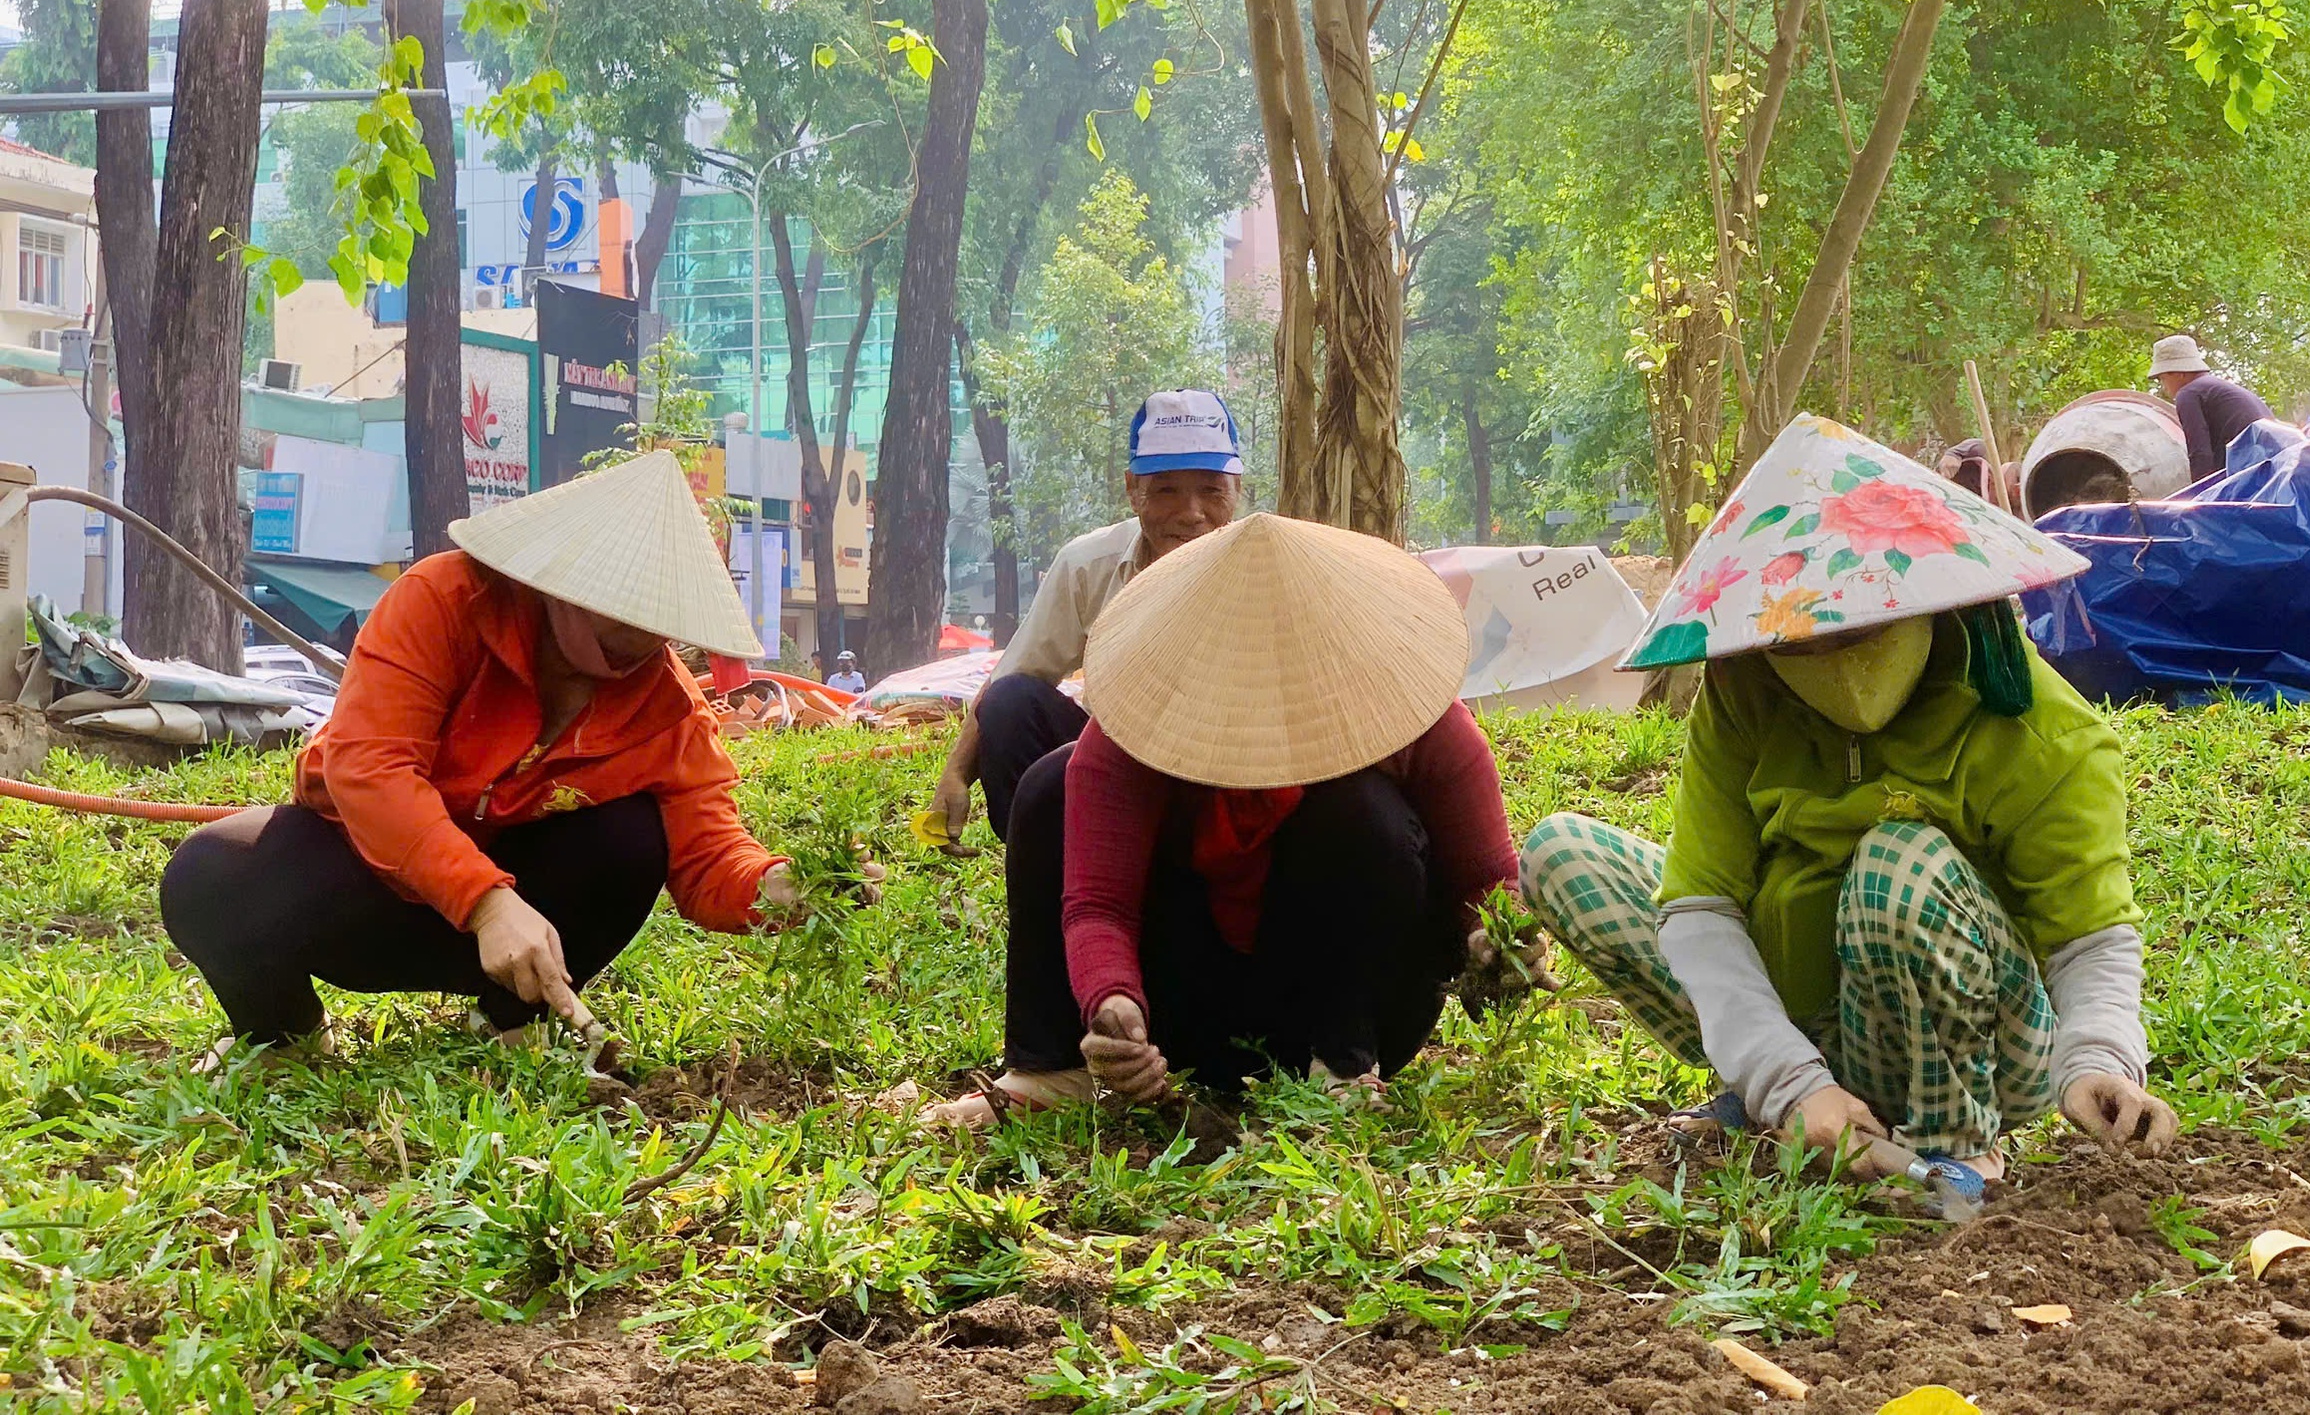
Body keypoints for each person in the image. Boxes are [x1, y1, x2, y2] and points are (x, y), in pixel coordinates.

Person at [1519, 415, 2176, 1202]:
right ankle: (1798, 1100)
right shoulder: (1743, 694)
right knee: (1564, 851)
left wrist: (2097, 1061)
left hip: (1976, 1032)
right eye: (1803, 643)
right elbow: (1701, 906)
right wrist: (1787, 1082)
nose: (1838, 663)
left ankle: (1952, 1145)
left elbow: (2088, 940)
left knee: (1898, 865)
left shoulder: (2039, 726)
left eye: (1866, 629)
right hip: (1807, 1017)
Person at [161, 450, 803, 1060]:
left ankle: (512, 1017)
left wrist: (775, 887)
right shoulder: (442, 601)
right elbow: (370, 769)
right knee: (211, 875)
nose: (644, 639)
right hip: (364, 883)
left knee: (631, 834)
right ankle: (285, 1034)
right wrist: (485, 902)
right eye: (622, 614)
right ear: (561, 584)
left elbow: (710, 853)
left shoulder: (668, 707)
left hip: (521, 923)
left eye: (660, 622)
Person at [921, 513, 1551, 1128]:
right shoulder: (1129, 732)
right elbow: (1099, 906)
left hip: (1360, 998)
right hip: (1190, 1006)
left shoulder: (1423, 722)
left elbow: (1486, 877)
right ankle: (1047, 1068)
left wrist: (1498, 937)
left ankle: (1342, 1069)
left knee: (1359, 810)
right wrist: (1112, 1001)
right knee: (1048, 786)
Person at [928, 388, 1245, 843]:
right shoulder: (1088, 564)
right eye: (1166, 490)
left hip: (1232, 769)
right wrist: (955, 775)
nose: (1191, 513)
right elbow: (1015, 673)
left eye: (1211, 490)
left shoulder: (1271, 566)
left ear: (1237, 488)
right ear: (1132, 490)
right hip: (1114, 762)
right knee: (1011, 704)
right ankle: (1052, 881)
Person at [2150, 333, 2272, 483]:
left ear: (2179, 373)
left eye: (2163, 379)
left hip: (2252, 470)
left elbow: (2200, 453)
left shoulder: (2188, 394)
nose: (2164, 388)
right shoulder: (2216, 388)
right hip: (2273, 465)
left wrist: (2200, 497)